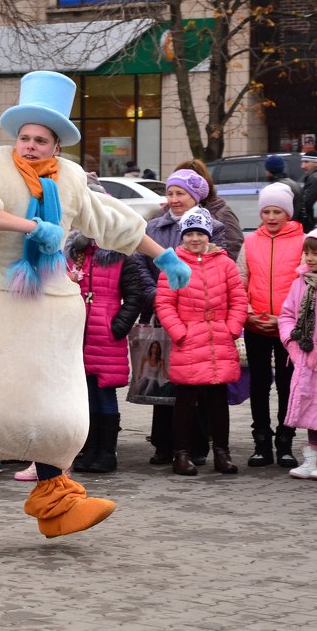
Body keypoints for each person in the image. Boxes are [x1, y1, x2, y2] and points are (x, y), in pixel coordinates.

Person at [0, 71, 190, 550]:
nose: (29, 145)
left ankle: (56, 500)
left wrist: (161, 254)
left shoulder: (69, 179)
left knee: (55, 411)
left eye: (41, 139)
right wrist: (29, 226)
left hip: (41, 304)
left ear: (56, 145)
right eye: (24, 136)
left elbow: (113, 223)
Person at [139, 167, 225, 463]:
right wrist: (155, 296)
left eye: (181, 194)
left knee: (195, 385)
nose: (174, 199)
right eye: (171, 193)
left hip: (199, 318)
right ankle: (165, 445)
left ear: (196, 197)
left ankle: (196, 446)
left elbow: (217, 268)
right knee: (162, 379)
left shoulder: (212, 226)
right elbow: (140, 263)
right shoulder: (154, 226)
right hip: (160, 309)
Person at [155, 207, 247, 476]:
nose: (195, 238)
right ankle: (181, 454)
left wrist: (231, 328)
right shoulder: (172, 263)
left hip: (219, 338)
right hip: (189, 340)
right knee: (185, 401)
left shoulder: (225, 263)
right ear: (183, 235)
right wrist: (180, 332)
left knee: (218, 400)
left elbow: (239, 299)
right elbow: (164, 302)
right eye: (190, 233)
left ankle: (222, 452)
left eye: (200, 233)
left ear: (208, 235)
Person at [64, 231, 147, 475]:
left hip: (105, 333)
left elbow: (135, 296)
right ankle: (89, 448)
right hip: (77, 334)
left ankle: (107, 451)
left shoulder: (121, 256)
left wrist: (118, 326)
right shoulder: (74, 253)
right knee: (84, 393)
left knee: (105, 390)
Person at [236, 182, 305, 468]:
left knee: (289, 385)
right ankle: (261, 441)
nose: (272, 217)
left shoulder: (303, 241)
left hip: (288, 328)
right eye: (267, 211)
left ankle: (286, 441)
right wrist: (249, 313)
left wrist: (287, 319)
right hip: (256, 325)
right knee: (259, 384)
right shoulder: (250, 241)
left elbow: (306, 285)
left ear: (288, 213)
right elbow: (240, 280)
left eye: (278, 211)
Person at [279, 225, 317, 480]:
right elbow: (287, 315)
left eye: (316, 253)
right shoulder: (300, 284)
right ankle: (312, 454)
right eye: (307, 253)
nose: (310, 258)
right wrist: (292, 344)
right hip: (304, 357)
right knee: (310, 406)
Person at [174, 159, 243, 259]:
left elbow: (234, 248)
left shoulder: (222, 214)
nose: (175, 199)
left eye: (180, 192)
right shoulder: (164, 215)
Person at [265, 154, 302, 219]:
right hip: (297, 226)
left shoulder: (274, 188)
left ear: (268, 171)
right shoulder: (295, 184)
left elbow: (274, 212)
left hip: (285, 226)